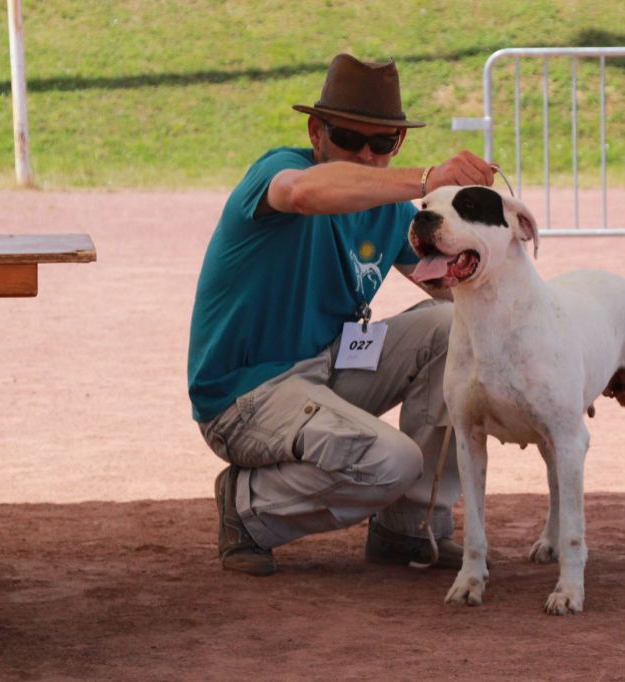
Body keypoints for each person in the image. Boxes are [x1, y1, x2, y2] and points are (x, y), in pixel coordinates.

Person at [187, 52, 496, 576]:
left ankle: (408, 528)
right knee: (393, 460)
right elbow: (302, 193)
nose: (367, 156)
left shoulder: (390, 209)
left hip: (323, 369)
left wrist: (562, 351)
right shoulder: (280, 172)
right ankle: (247, 507)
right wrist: (424, 179)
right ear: (316, 131)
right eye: (350, 140)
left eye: (383, 143)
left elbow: (456, 288)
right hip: (246, 397)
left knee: (455, 327)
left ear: (398, 141)